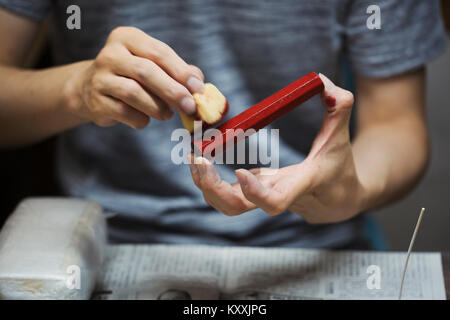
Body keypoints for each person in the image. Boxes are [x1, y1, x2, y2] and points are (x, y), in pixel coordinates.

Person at [0, 1, 447, 249]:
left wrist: (347, 188)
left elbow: (397, 124)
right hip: (106, 241)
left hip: (312, 243)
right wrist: (76, 89)